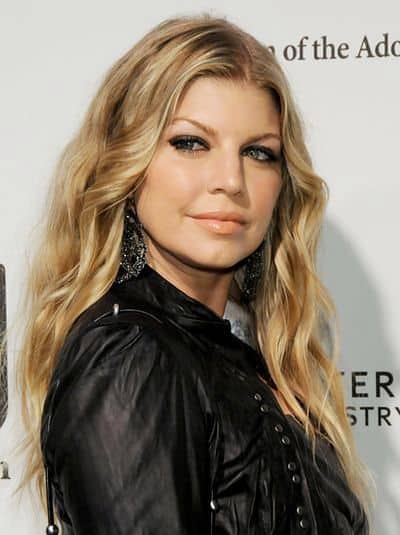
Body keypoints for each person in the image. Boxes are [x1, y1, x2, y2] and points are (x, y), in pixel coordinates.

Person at [10, 12, 376, 534]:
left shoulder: (250, 358)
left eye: (258, 152)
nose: (231, 180)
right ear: (127, 162)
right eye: (190, 143)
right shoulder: (129, 357)